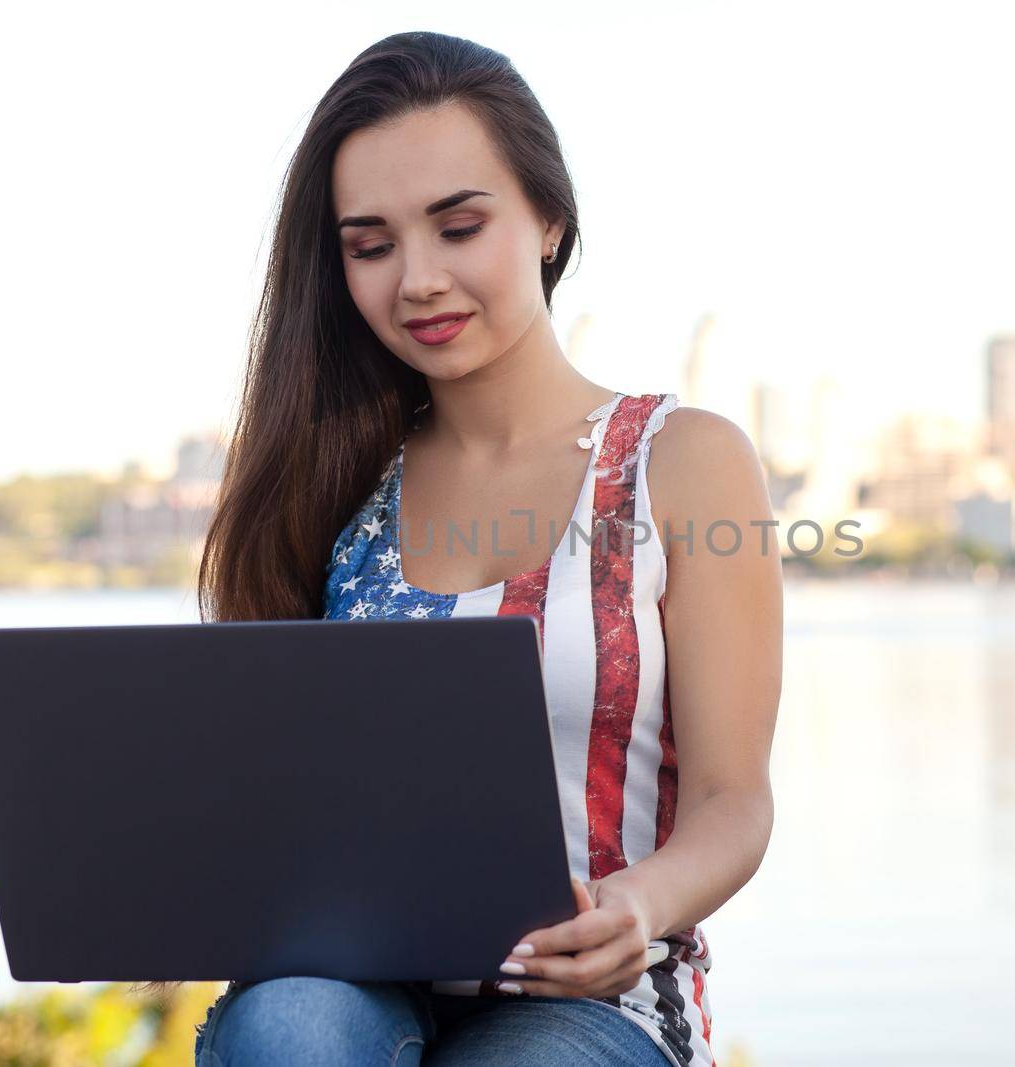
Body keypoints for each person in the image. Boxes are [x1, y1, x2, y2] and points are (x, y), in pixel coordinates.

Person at [179, 29, 782, 1067]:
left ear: (548, 219)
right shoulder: (329, 484)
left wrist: (637, 906)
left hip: (592, 1001)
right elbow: (272, 790)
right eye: (370, 246)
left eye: (458, 226)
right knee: (288, 1029)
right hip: (352, 976)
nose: (417, 279)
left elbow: (735, 800)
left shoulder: (682, 461)